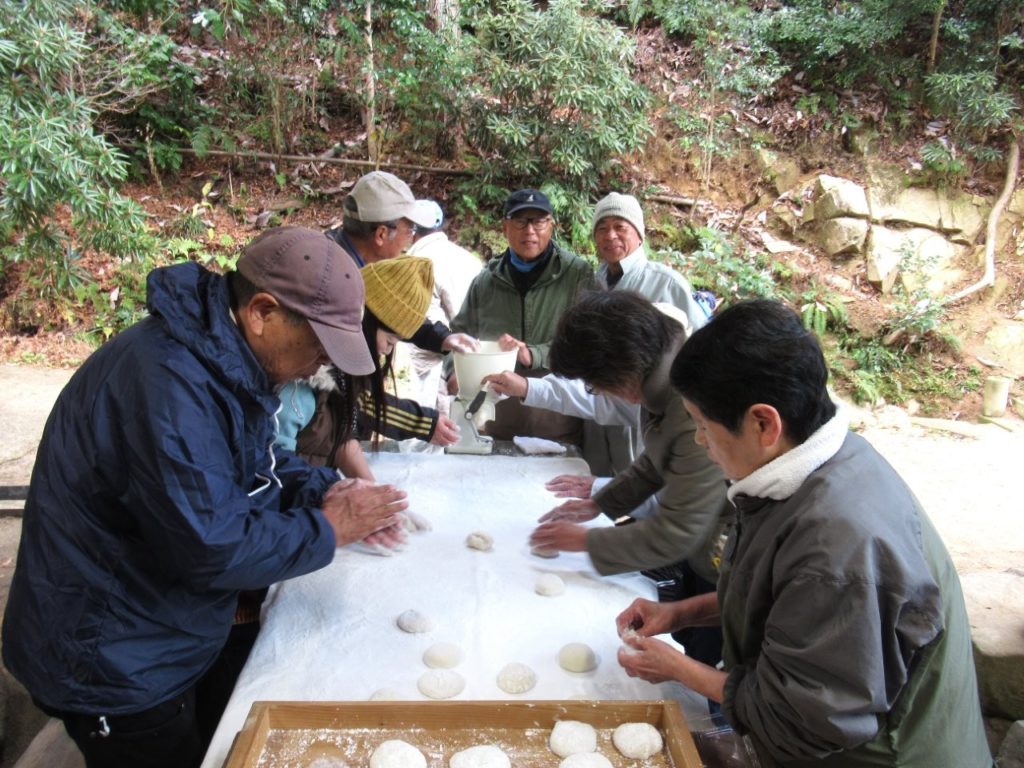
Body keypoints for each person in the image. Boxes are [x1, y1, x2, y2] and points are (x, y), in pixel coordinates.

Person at [1, 227, 409, 768]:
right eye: (318, 345)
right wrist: (329, 528)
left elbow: (251, 461)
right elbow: (211, 544)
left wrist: (326, 489)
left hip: (155, 630)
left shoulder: (219, 361)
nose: (320, 365)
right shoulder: (168, 383)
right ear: (262, 312)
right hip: (112, 655)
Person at [616, 299, 992, 768]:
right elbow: (786, 599)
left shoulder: (838, 544)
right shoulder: (819, 460)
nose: (698, 440)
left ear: (763, 423)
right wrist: (682, 613)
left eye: (702, 425)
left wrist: (678, 668)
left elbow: (798, 718)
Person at [527, 291, 732, 667]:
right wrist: (600, 503)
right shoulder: (659, 376)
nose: (599, 393)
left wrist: (587, 541)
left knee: (715, 660)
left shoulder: (691, 403)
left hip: (733, 560)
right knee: (694, 640)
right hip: (708, 556)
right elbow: (656, 460)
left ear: (619, 373)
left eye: (593, 385)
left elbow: (679, 530)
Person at [277, 256, 459, 489]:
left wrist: (373, 493)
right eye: (390, 341)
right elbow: (275, 475)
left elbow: (344, 436)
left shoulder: (339, 379)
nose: (386, 351)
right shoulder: (299, 387)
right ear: (362, 322)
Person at [448, 188, 596, 443]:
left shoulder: (576, 275)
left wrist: (533, 354)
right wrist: (454, 370)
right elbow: (459, 334)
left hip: (555, 423)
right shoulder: (486, 281)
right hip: (497, 422)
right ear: (505, 227)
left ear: (551, 225)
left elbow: (589, 342)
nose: (530, 230)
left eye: (538, 221)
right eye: (520, 221)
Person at [325, 170, 476, 357]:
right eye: (410, 230)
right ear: (381, 234)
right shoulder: (332, 282)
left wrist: (442, 338)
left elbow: (391, 312)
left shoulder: (359, 269)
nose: (410, 239)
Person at [402, 200, 483, 410]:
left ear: (411, 231)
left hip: (427, 369)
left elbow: (411, 322)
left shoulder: (414, 263)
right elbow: (474, 321)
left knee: (429, 426)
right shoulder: (467, 259)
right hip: (468, 362)